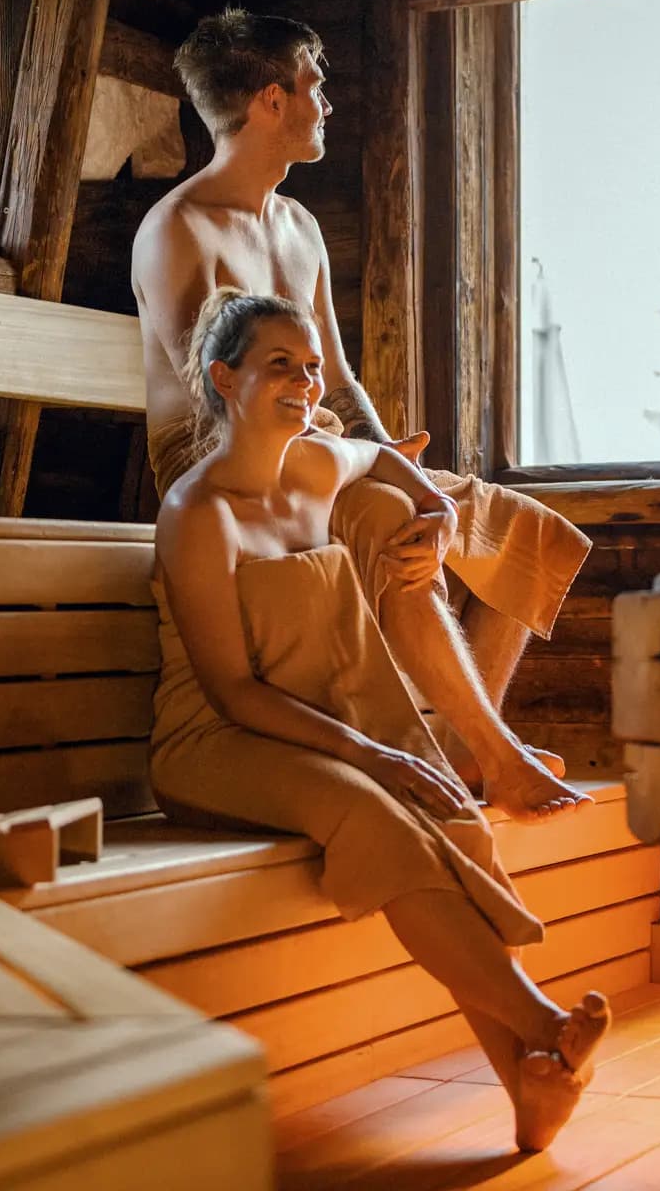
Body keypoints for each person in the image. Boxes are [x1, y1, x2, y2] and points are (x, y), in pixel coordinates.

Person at [151, 288, 609, 1150]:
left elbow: (376, 459)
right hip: (213, 745)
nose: (303, 380)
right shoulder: (197, 514)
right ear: (225, 377)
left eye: (311, 365)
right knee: (374, 812)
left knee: (438, 808)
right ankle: (544, 1024)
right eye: (277, 364)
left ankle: (526, 1086)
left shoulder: (316, 467)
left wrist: (434, 514)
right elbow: (231, 693)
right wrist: (372, 753)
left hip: (311, 726)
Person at [132, 7, 591, 822]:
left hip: (318, 444)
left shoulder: (300, 228)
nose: (327, 101)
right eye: (316, 82)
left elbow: (337, 381)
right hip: (229, 461)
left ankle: (451, 751)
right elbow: (215, 400)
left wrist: (393, 457)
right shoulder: (179, 229)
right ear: (272, 100)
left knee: (520, 525)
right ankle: (496, 756)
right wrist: (364, 471)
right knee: (387, 512)